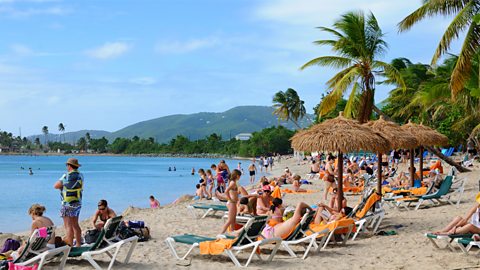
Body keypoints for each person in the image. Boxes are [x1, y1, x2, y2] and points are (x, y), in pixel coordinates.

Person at [53, 158, 83, 247]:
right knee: (75, 225)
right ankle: (78, 244)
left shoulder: (66, 176)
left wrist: (62, 187)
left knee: (68, 226)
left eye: (67, 165)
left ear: (69, 166)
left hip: (67, 204)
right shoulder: (81, 175)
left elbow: (56, 186)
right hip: (77, 203)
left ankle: (69, 245)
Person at [220, 169, 241, 234]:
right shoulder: (233, 183)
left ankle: (232, 232)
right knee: (230, 220)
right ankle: (220, 233)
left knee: (233, 220)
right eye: (239, 176)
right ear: (237, 176)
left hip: (233, 202)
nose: (240, 177)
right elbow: (226, 191)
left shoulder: (233, 182)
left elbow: (232, 192)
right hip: (231, 203)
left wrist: (237, 193)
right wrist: (230, 199)